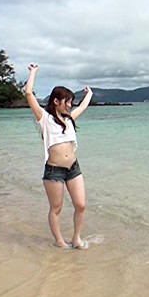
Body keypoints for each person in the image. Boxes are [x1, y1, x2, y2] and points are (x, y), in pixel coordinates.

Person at [25, 64, 93, 249]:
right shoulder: (45, 119)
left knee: (81, 205)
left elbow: (83, 106)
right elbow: (29, 93)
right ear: (56, 101)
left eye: (71, 102)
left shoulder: (69, 119)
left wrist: (89, 94)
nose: (70, 105)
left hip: (74, 168)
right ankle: (59, 241)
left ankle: (76, 239)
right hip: (54, 171)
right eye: (67, 101)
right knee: (56, 208)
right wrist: (33, 72)